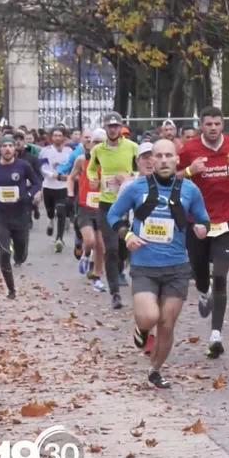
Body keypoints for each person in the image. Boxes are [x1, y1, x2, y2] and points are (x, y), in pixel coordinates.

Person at [108, 139, 210, 388]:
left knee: (166, 322)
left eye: (169, 156)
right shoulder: (135, 188)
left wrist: (201, 229)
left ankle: (155, 370)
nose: (164, 160)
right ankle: (142, 330)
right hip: (145, 266)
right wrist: (128, 235)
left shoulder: (189, 190)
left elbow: (204, 219)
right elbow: (112, 215)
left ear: (177, 160)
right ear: (151, 160)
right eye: (159, 156)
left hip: (177, 267)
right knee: (150, 316)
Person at [178, 106, 229, 358]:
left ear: (222, 125)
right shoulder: (188, 150)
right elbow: (171, 177)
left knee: (220, 274)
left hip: (227, 221)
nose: (212, 128)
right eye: (208, 124)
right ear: (201, 125)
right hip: (197, 221)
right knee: (200, 271)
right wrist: (189, 171)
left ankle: (216, 335)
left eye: (217, 124)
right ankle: (202, 291)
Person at [87, 111, 139, 310]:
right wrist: (93, 178)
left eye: (116, 126)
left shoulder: (132, 147)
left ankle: (121, 269)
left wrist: (129, 177)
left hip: (127, 203)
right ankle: (115, 293)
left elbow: (143, 169)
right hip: (107, 205)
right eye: (110, 126)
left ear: (121, 128)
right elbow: (91, 169)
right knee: (111, 248)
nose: (113, 129)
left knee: (124, 246)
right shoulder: (98, 150)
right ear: (106, 128)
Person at [0, 136, 42, 298]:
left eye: (10, 146)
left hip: (21, 215)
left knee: (20, 254)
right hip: (1, 217)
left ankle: (19, 254)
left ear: (15, 149)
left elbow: (36, 183)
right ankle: (11, 290)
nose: (8, 149)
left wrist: (28, 195)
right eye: (4, 146)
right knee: (4, 252)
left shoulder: (23, 166)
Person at [67, 129, 107, 290]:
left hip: (103, 207)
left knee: (101, 245)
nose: (97, 145)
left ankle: (97, 276)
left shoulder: (110, 162)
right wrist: (70, 191)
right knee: (89, 241)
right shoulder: (81, 160)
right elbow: (71, 177)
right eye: (94, 142)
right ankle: (85, 255)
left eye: (100, 142)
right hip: (84, 206)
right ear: (90, 144)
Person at [39, 126, 74, 252]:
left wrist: (69, 176)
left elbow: (72, 166)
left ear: (64, 137)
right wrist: (54, 175)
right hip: (49, 185)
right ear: (51, 137)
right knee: (50, 211)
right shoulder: (45, 151)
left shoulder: (69, 151)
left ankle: (59, 239)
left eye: (60, 135)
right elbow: (42, 167)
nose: (58, 138)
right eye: (55, 135)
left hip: (63, 187)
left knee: (61, 212)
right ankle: (50, 220)